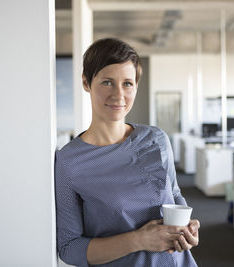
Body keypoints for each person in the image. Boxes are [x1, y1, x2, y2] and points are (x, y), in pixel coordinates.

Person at [55, 38, 200, 267]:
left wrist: (188, 228)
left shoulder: (157, 139)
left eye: (127, 83)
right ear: (86, 82)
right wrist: (139, 240)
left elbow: (173, 193)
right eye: (107, 82)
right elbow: (69, 248)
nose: (119, 95)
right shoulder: (69, 162)